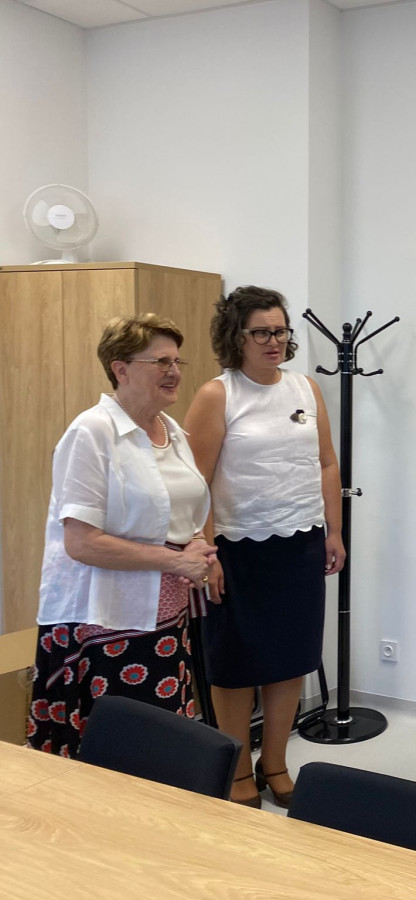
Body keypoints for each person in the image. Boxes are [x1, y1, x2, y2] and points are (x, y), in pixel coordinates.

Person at [185, 286, 345, 809]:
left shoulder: (305, 388)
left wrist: (334, 531)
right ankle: (235, 769)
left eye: (280, 331)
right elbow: (194, 481)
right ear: (237, 336)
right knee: (234, 664)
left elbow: (326, 462)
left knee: (291, 659)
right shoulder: (218, 395)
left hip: (300, 542)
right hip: (236, 549)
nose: (273, 341)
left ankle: (274, 762)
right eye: (261, 332)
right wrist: (205, 550)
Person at [27, 314, 215, 758]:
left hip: (165, 614)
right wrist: (175, 560)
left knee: (162, 741)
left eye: (177, 361)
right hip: (104, 619)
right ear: (121, 368)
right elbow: (81, 542)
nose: (174, 371)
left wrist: (195, 541)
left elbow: (180, 508)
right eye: (161, 361)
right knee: (117, 750)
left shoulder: (171, 430)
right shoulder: (91, 432)